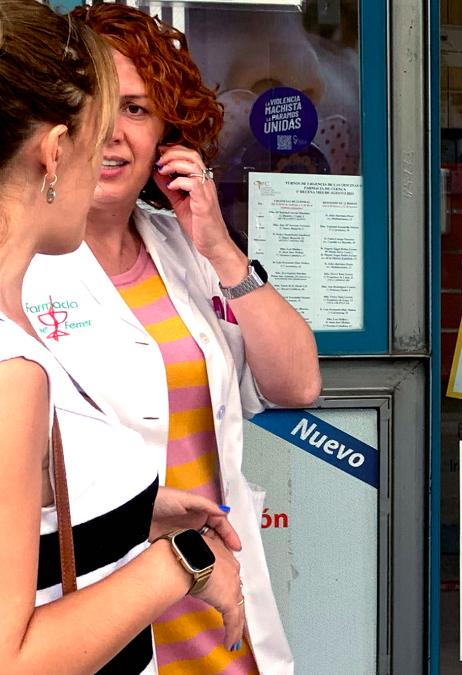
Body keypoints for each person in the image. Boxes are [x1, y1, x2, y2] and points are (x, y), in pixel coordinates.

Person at [22, 4, 322, 674]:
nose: (112, 133)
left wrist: (220, 249)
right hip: (103, 615)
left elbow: (297, 381)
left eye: (135, 108)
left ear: (168, 132)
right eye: (94, 104)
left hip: (221, 615)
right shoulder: (21, 265)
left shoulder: (182, 248)